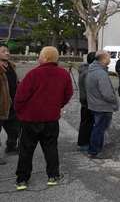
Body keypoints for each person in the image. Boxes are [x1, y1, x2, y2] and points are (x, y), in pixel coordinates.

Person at [14, 46, 73, 190]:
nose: (38, 57)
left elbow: (20, 97)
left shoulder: (33, 74)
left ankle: (22, 179)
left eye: (40, 55)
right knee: (51, 147)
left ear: (45, 57)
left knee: (26, 150)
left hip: (30, 119)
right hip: (51, 119)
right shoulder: (63, 74)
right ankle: (53, 175)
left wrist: (20, 112)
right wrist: (57, 105)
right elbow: (68, 94)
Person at [86, 50, 118, 158]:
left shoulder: (92, 70)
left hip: (95, 104)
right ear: (103, 59)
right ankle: (95, 151)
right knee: (99, 129)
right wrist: (115, 100)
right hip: (102, 106)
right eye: (109, 57)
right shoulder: (101, 73)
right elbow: (107, 93)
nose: (110, 59)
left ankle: (94, 149)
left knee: (97, 128)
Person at [0, 44, 19, 156]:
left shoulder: (11, 66)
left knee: (15, 128)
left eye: (7, 51)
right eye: (3, 51)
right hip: (1, 104)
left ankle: (11, 147)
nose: (7, 53)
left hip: (12, 104)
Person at [77, 52, 96, 151]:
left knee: (85, 121)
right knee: (88, 122)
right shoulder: (89, 72)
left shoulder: (84, 70)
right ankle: (84, 143)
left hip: (84, 99)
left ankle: (83, 142)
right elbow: (90, 88)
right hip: (89, 100)